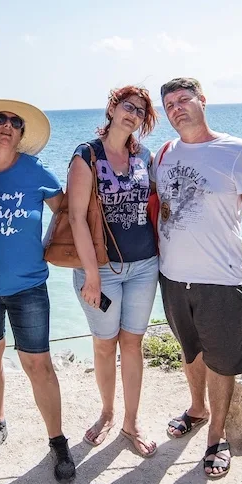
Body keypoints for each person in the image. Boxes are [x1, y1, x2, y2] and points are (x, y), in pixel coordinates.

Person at [153, 77, 242, 479]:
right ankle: (197, 408)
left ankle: (217, 435)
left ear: (202, 101)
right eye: (169, 103)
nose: (177, 108)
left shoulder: (235, 150)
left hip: (221, 277)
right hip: (172, 276)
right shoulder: (164, 154)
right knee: (189, 350)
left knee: (222, 360)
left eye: (184, 99)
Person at [0, 99, 76, 483]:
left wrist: (47, 246)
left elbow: (65, 212)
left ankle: (57, 440)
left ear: (22, 135)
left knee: (37, 363)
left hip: (29, 287)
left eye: (16, 122)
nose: (8, 125)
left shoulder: (36, 173)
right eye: (0, 119)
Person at [67, 86, 160, 458]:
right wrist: (91, 274)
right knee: (105, 345)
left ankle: (131, 421)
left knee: (133, 343)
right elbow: (75, 218)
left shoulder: (145, 156)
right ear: (111, 108)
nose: (132, 114)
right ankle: (106, 413)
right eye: (127, 106)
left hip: (144, 265)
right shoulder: (86, 154)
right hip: (100, 271)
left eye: (140, 111)